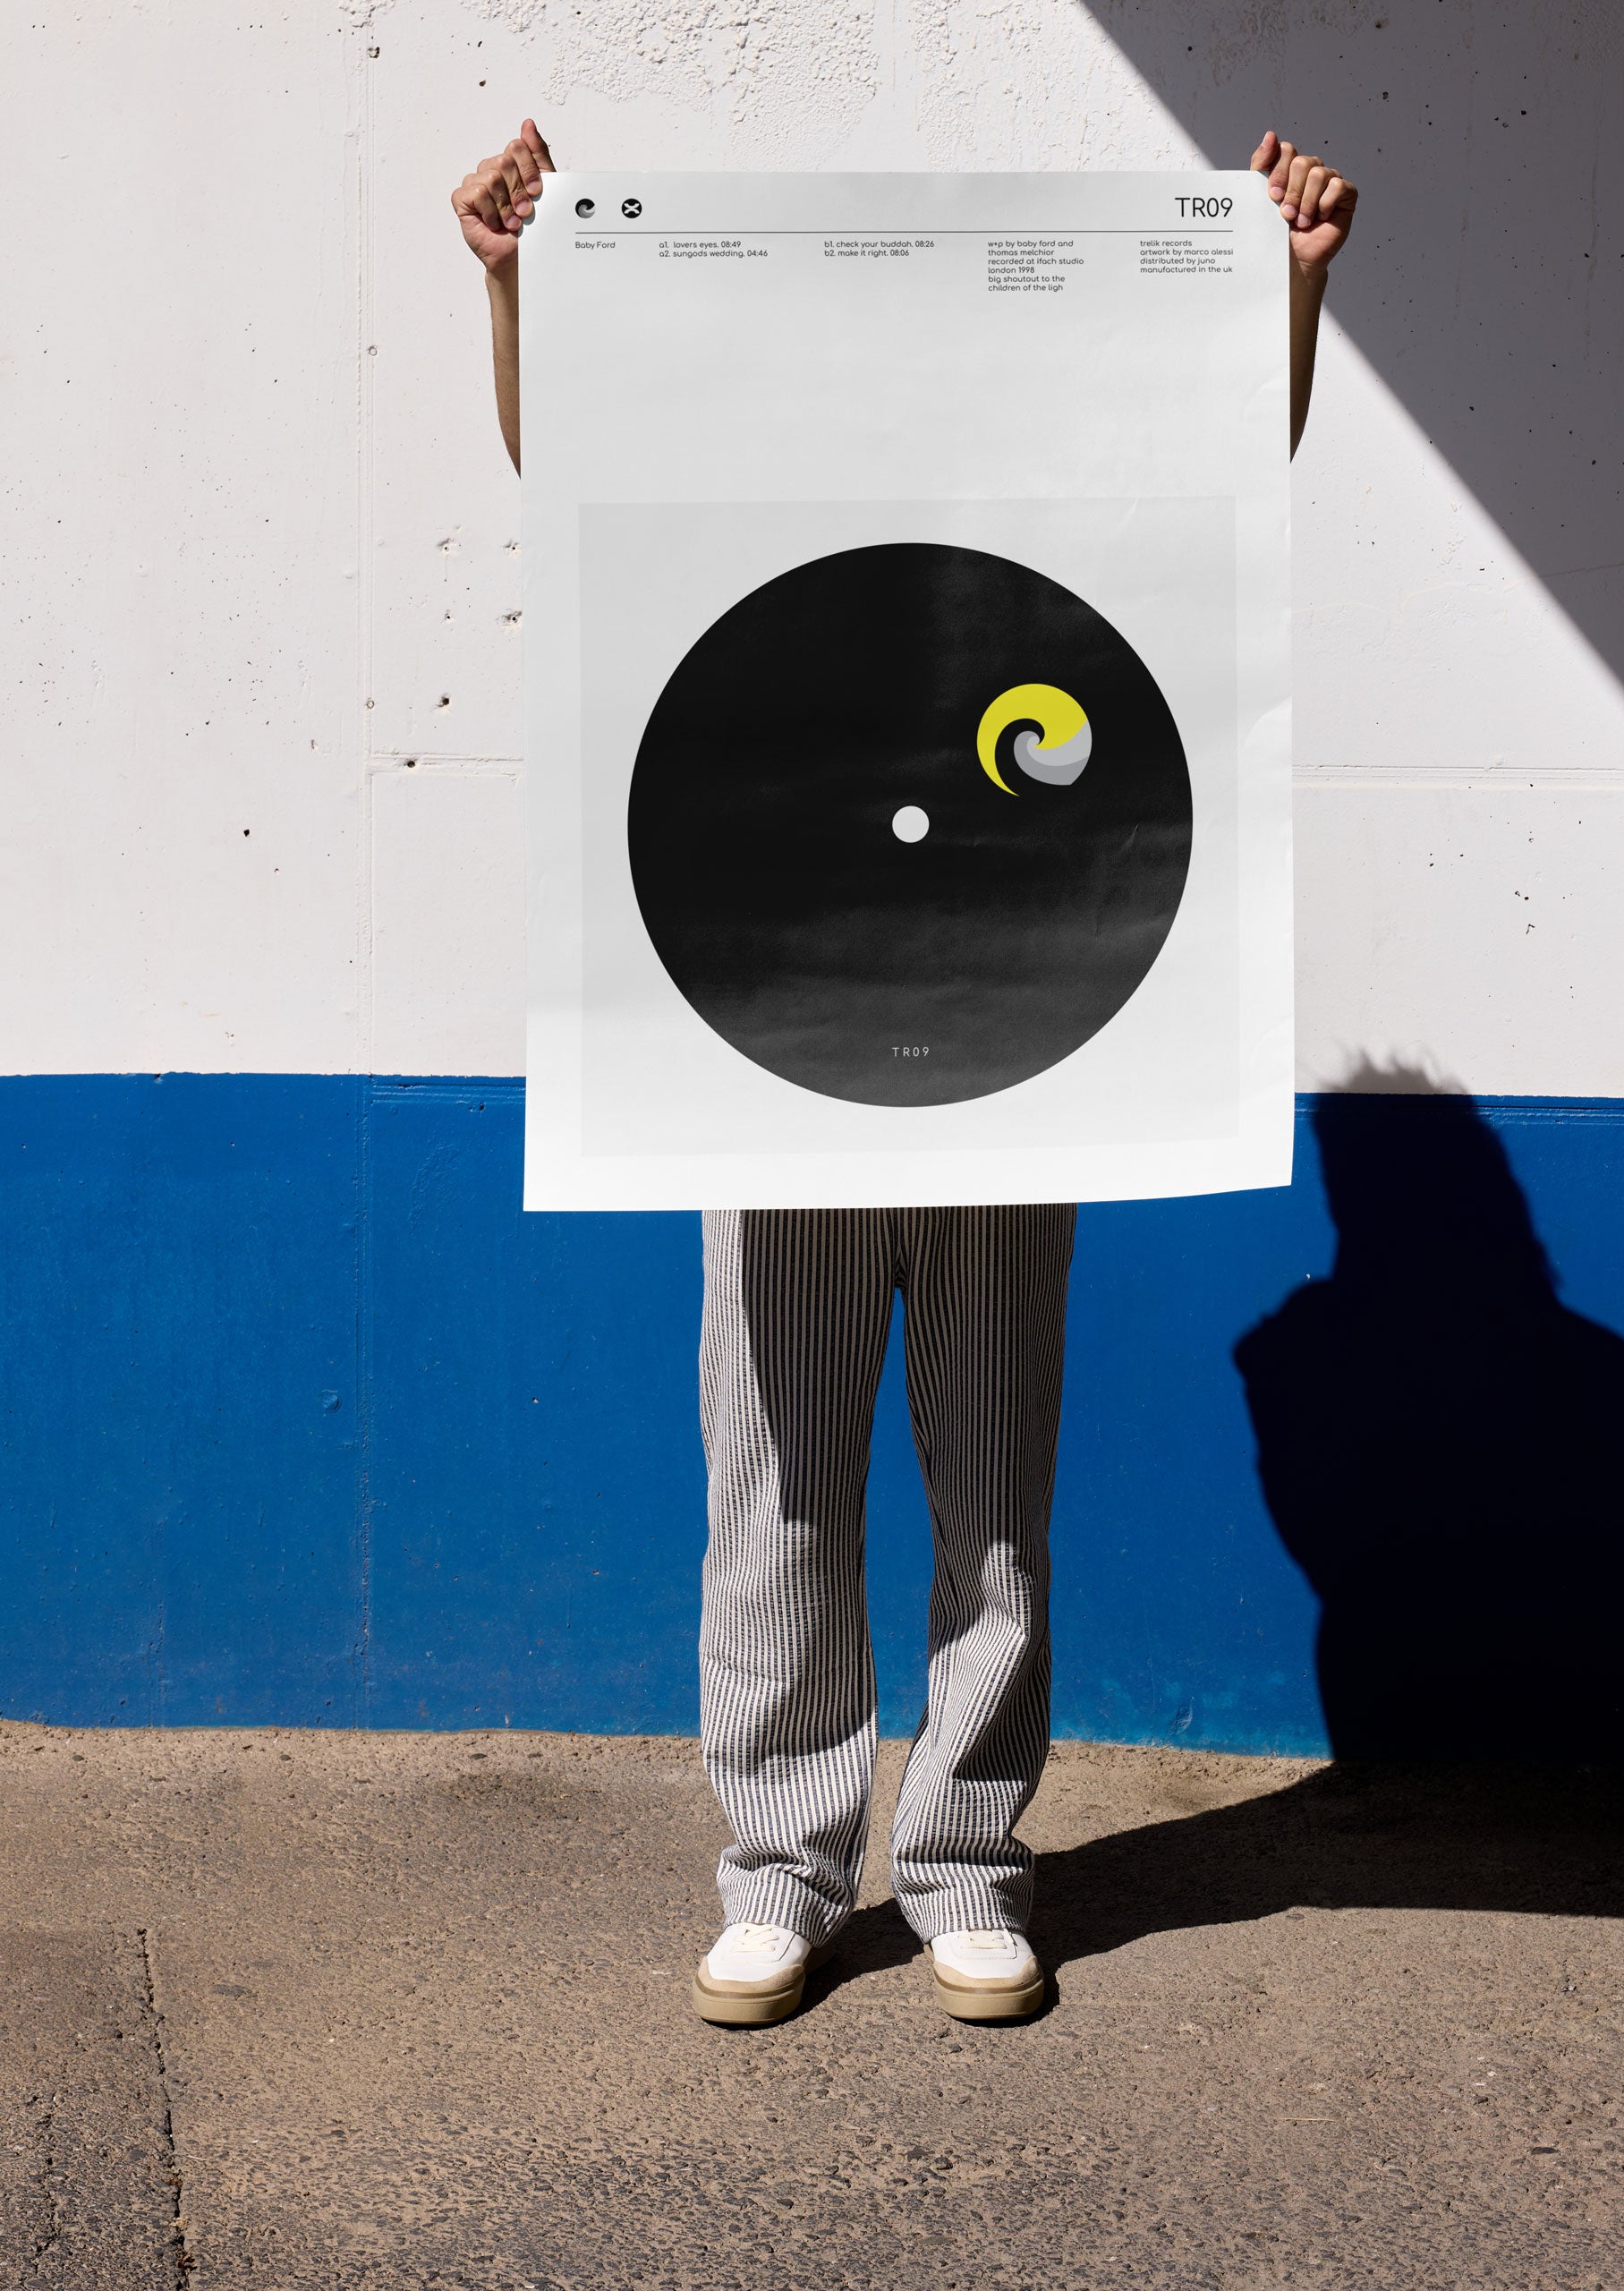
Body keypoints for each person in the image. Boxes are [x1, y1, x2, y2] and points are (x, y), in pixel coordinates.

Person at [452, 122, 1357, 2025]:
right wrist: (520, 291)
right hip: (772, 1055)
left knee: (993, 1499)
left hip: (1011, 1047)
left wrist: (1280, 301)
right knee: (774, 1496)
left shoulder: (1026, 509)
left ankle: (965, 1869)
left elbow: (1200, 502)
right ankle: (779, 1873)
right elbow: (578, 478)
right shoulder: (749, 491)